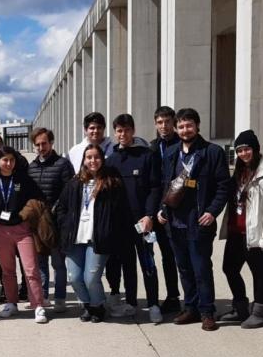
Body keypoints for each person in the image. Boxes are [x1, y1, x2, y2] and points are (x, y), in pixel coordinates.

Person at [157, 108, 232, 331]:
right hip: (175, 222)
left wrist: (212, 211)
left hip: (199, 221)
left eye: (189, 125)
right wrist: (162, 208)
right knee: (184, 269)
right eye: (181, 126)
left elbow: (223, 186)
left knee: (201, 269)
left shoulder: (212, 152)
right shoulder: (171, 153)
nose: (185, 130)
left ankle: (207, 311)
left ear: (197, 126)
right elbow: (167, 185)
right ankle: (190, 308)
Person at [219, 130, 263, 328]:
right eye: (240, 150)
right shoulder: (240, 171)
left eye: (247, 149)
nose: (243, 153)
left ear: (255, 149)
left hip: (257, 234)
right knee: (229, 268)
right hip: (237, 232)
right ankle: (240, 308)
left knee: (258, 272)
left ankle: (259, 313)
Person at [56, 144, 131, 323]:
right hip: (75, 238)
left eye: (96, 157)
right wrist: (65, 225)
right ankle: (88, 304)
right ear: (84, 160)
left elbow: (121, 211)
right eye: (89, 157)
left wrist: (111, 231)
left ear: (102, 159)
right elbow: (62, 207)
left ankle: (98, 306)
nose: (92, 161)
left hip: (98, 239)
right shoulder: (75, 182)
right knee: (74, 277)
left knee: (91, 278)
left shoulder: (111, 182)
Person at [0, 146, 48, 324]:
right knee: (8, 271)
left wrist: (24, 214)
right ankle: (11, 303)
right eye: (5, 160)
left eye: (12, 160)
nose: (8, 163)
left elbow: (38, 198)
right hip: (0, 230)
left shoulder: (23, 180)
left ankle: (38, 305)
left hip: (22, 229)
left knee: (31, 269)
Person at [105, 114, 164, 323]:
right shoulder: (111, 160)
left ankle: (154, 303)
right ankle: (131, 302)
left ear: (133, 130)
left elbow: (155, 188)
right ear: (115, 133)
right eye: (119, 131)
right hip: (122, 225)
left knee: (148, 263)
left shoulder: (146, 155)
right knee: (127, 264)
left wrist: (149, 216)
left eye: (127, 130)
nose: (123, 134)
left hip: (144, 223)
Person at [27, 127, 74, 313]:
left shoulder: (63, 165)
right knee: (40, 264)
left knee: (58, 263)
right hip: (37, 224)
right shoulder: (31, 167)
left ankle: (60, 298)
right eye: (37, 144)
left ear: (51, 143)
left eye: (44, 143)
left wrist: (55, 211)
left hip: (56, 223)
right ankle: (43, 296)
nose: (41, 147)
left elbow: (69, 191)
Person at [150, 106, 183, 313]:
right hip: (160, 213)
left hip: (180, 209)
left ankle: (195, 299)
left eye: (167, 122)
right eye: (160, 122)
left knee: (185, 257)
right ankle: (173, 296)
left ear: (174, 123)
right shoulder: (153, 147)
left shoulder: (183, 144)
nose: (164, 126)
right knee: (167, 257)